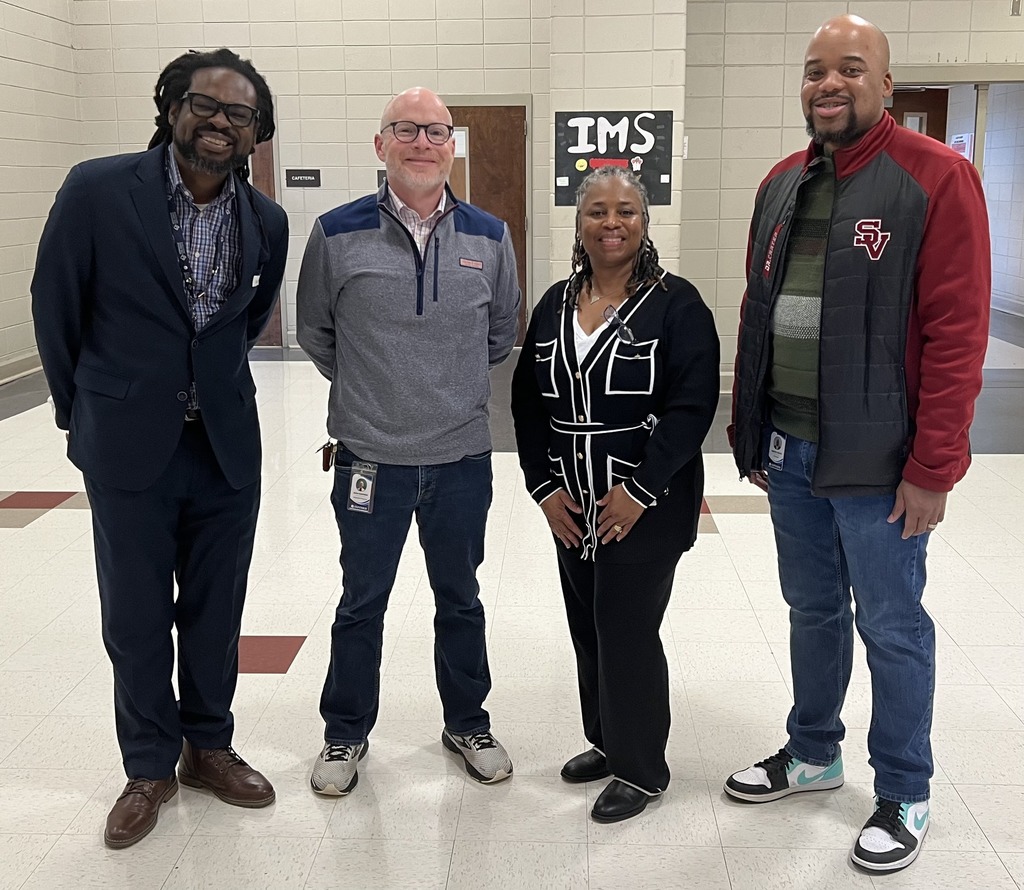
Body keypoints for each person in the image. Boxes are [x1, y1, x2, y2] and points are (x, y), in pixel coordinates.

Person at [727, 15, 990, 874]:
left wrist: (934, 468)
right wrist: (752, 428)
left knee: (891, 623)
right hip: (794, 454)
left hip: (880, 465)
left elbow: (958, 333)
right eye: (813, 72)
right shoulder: (780, 181)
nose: (827, 84)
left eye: (849, 68)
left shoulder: (937, 179)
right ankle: (813, 753)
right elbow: (758, 312)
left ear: (884, 82)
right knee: (811, 612)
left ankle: (905, 787)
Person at [30, 48, 289, 849]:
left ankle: (208, 745)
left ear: (256, 134)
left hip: (223, 447)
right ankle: (148, 766)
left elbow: (241, 326)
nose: (220, 122)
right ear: (172, 106)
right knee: (137, 615)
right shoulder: (99, 189)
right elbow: (55, 302)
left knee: (217, 611)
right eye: (205, 105)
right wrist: (84, 413)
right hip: (128, 445)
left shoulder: (267, 221)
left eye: (239, 115)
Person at [296, 87, 520, 795]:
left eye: (436, 131)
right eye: (406, 130)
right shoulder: (335, 233)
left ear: (451, 145)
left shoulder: (490, 235)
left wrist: (437, 387)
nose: (423, 143)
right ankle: (344, 735)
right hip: (370, 459)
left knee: (460, 597)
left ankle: (467, 722)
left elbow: (499, 333)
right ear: (380, 144)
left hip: (460, 458)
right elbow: (315, 332)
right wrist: (376, 390)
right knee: (362, 601)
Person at [510, 168, 720, 823]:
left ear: (644, 221)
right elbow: (525, 404)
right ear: (578, 223)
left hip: (643, 507)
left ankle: (642, 769)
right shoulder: (553, 303)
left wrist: (639, 488)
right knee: (589, 627)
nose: (610, 222)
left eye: (625, 210)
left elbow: (692, 407)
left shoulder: (676, 304)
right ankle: (607, 740)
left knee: (627, 629)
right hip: (572, 505)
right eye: (596, 210)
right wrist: (543, 489)